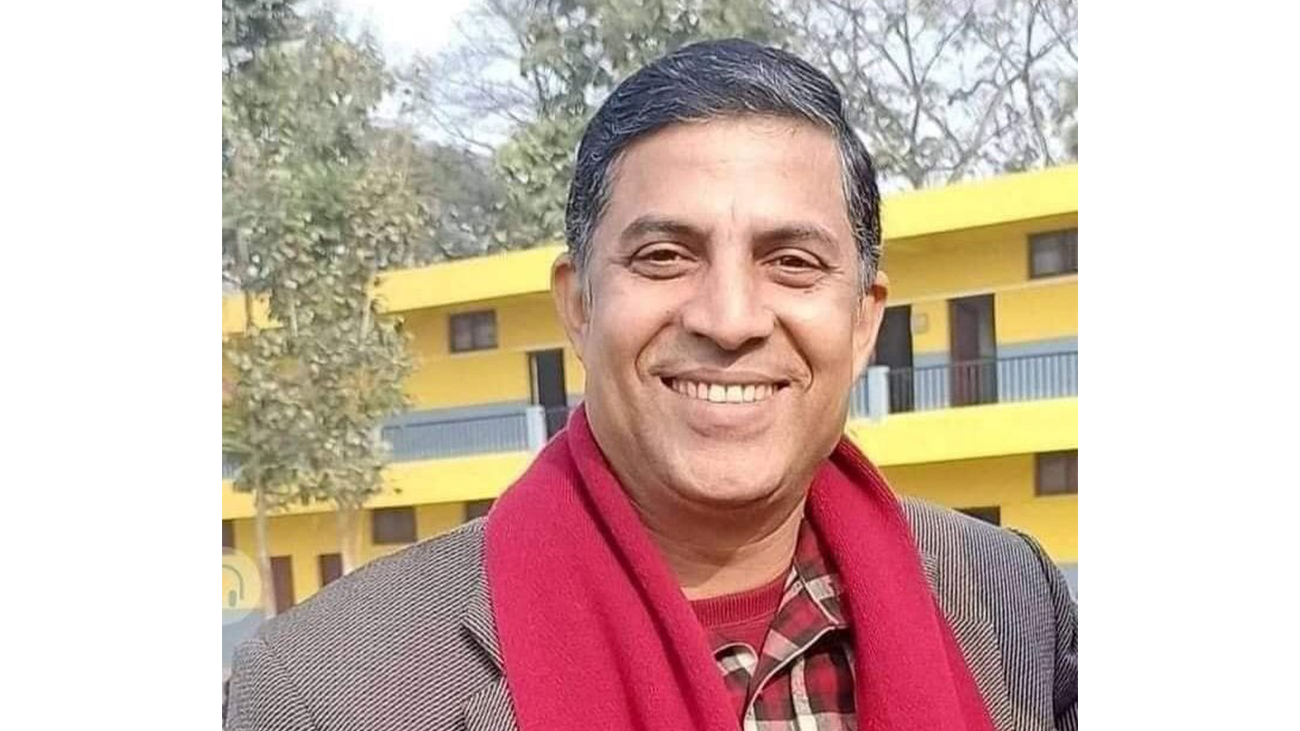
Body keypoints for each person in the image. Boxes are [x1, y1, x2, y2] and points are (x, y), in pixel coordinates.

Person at [225, 39, 1078, 731]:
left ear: (862, 320)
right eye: (665, 256)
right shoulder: (329, 687)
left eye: (791, 261)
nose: (731, 319)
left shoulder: (1009, 601)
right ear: (579, 304)